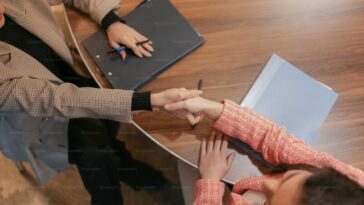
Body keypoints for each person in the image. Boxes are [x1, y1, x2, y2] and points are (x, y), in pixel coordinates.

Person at [0, 1, 201, 205]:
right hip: (41, 123)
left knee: (105, 128)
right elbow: (59, 99)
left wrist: (111, 21)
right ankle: (122, 173)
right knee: (97, 157)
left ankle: (124, 164)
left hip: (69, 75)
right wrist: (149, 100)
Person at [165, 97, 364, 205]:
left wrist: (210, 181)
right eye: (288, 177)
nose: (268, 185)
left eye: (270, 202)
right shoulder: (351, 185)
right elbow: (277, 142)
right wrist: (212, 108)